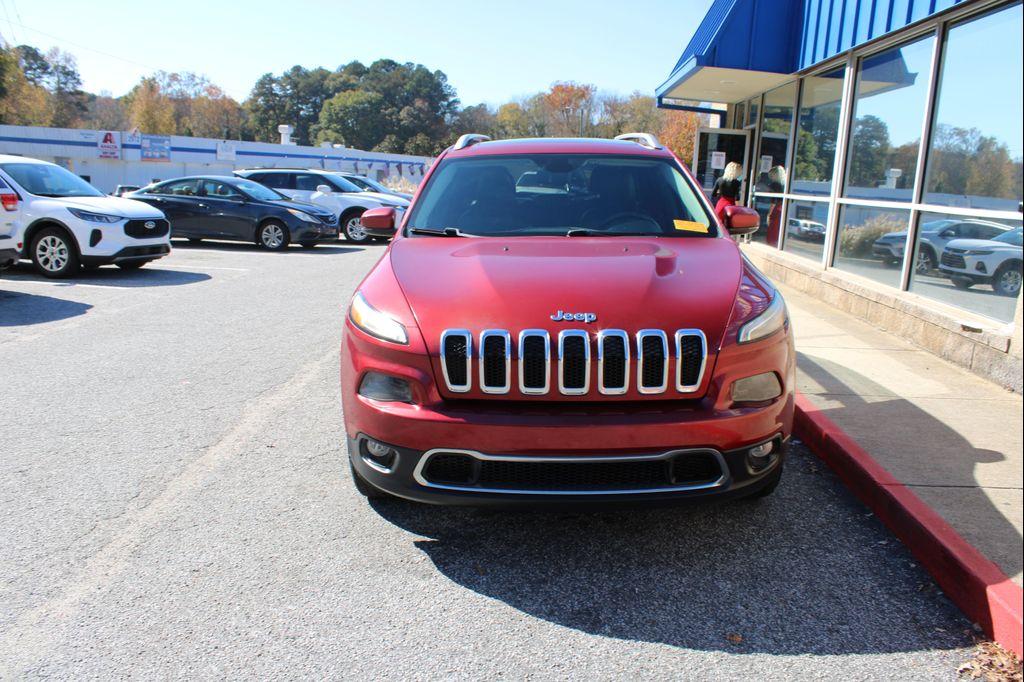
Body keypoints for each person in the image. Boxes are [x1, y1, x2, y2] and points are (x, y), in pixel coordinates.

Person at [765, 165, 786, 248]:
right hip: (783, 207)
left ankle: (771, 245)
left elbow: (773, 201)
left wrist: (769, 214)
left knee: (772, 228)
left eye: (771, 176)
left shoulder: (774, 185)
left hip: (777, 208)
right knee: (778, 229)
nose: (770, 178)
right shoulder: (785, 185)